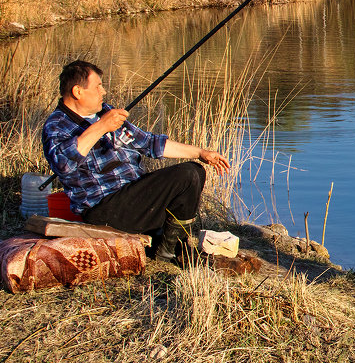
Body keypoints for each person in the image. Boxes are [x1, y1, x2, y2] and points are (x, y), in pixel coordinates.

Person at [42, 60, 230, 263]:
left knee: (194, 170)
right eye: (98, 86)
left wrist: (201, 152)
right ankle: (169, 252)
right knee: (187, 175)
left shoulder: (105, 112)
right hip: (104, 209)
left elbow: (149, 143)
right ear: (78, 91)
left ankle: (171, 247)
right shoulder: (56, 126)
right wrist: (101, 127)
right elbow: (63, 165)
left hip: (134, 196)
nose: (103, 91)